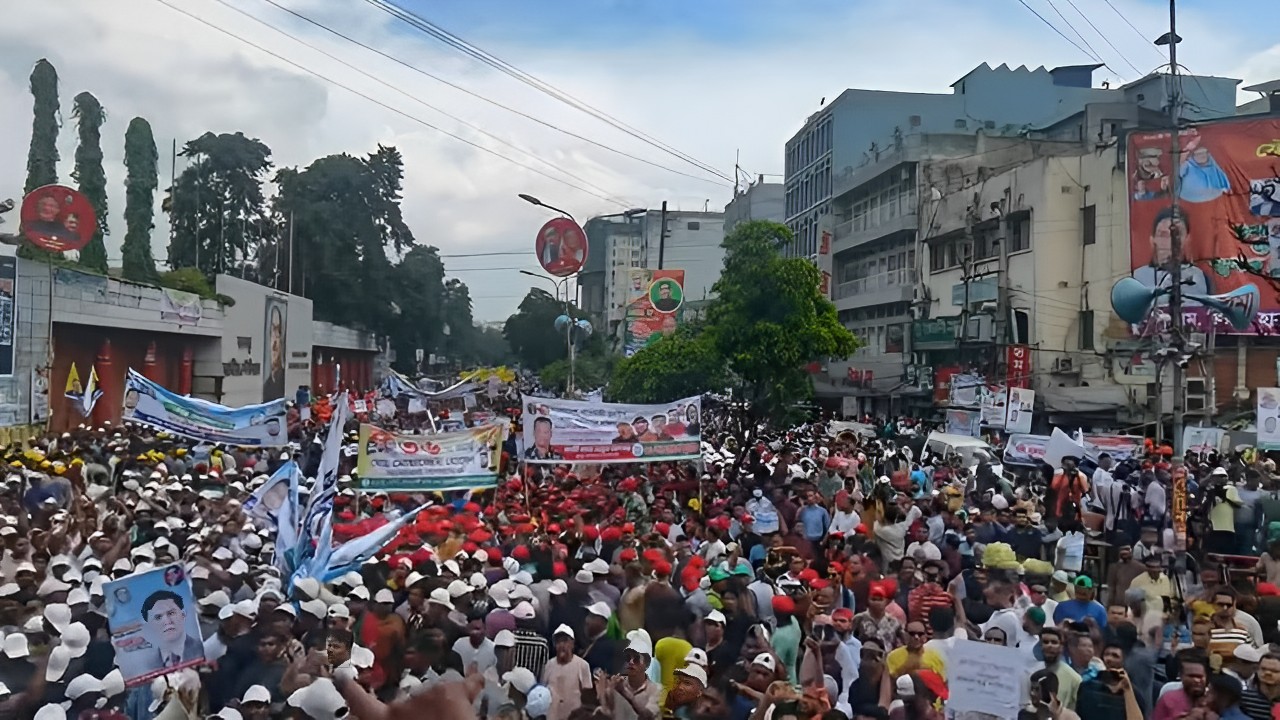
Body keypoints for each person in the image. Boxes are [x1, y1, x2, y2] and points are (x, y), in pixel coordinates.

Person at [1132, 207, 1211, 306]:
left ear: (1187, 239)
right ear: (1152, 240)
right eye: (1162, 235)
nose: (1169, 241)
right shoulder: (1137, 277)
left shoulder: (1197, 276)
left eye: (1176, 234)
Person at [137, 590, 204, 670]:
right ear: (150, 626)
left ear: (183, 614)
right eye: (158, 617)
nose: (167, 621)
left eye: (171, 613)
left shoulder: (203, 649)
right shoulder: (147, 665)